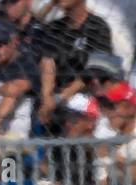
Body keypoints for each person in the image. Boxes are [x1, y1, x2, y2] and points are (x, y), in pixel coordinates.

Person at [36, 0, 115, 130]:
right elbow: (47, 61)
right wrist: (47, 97)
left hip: (86, 94)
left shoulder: (97, 27)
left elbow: (95, 70)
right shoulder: (54, 28)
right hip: (56, 98)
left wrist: (59, 98)